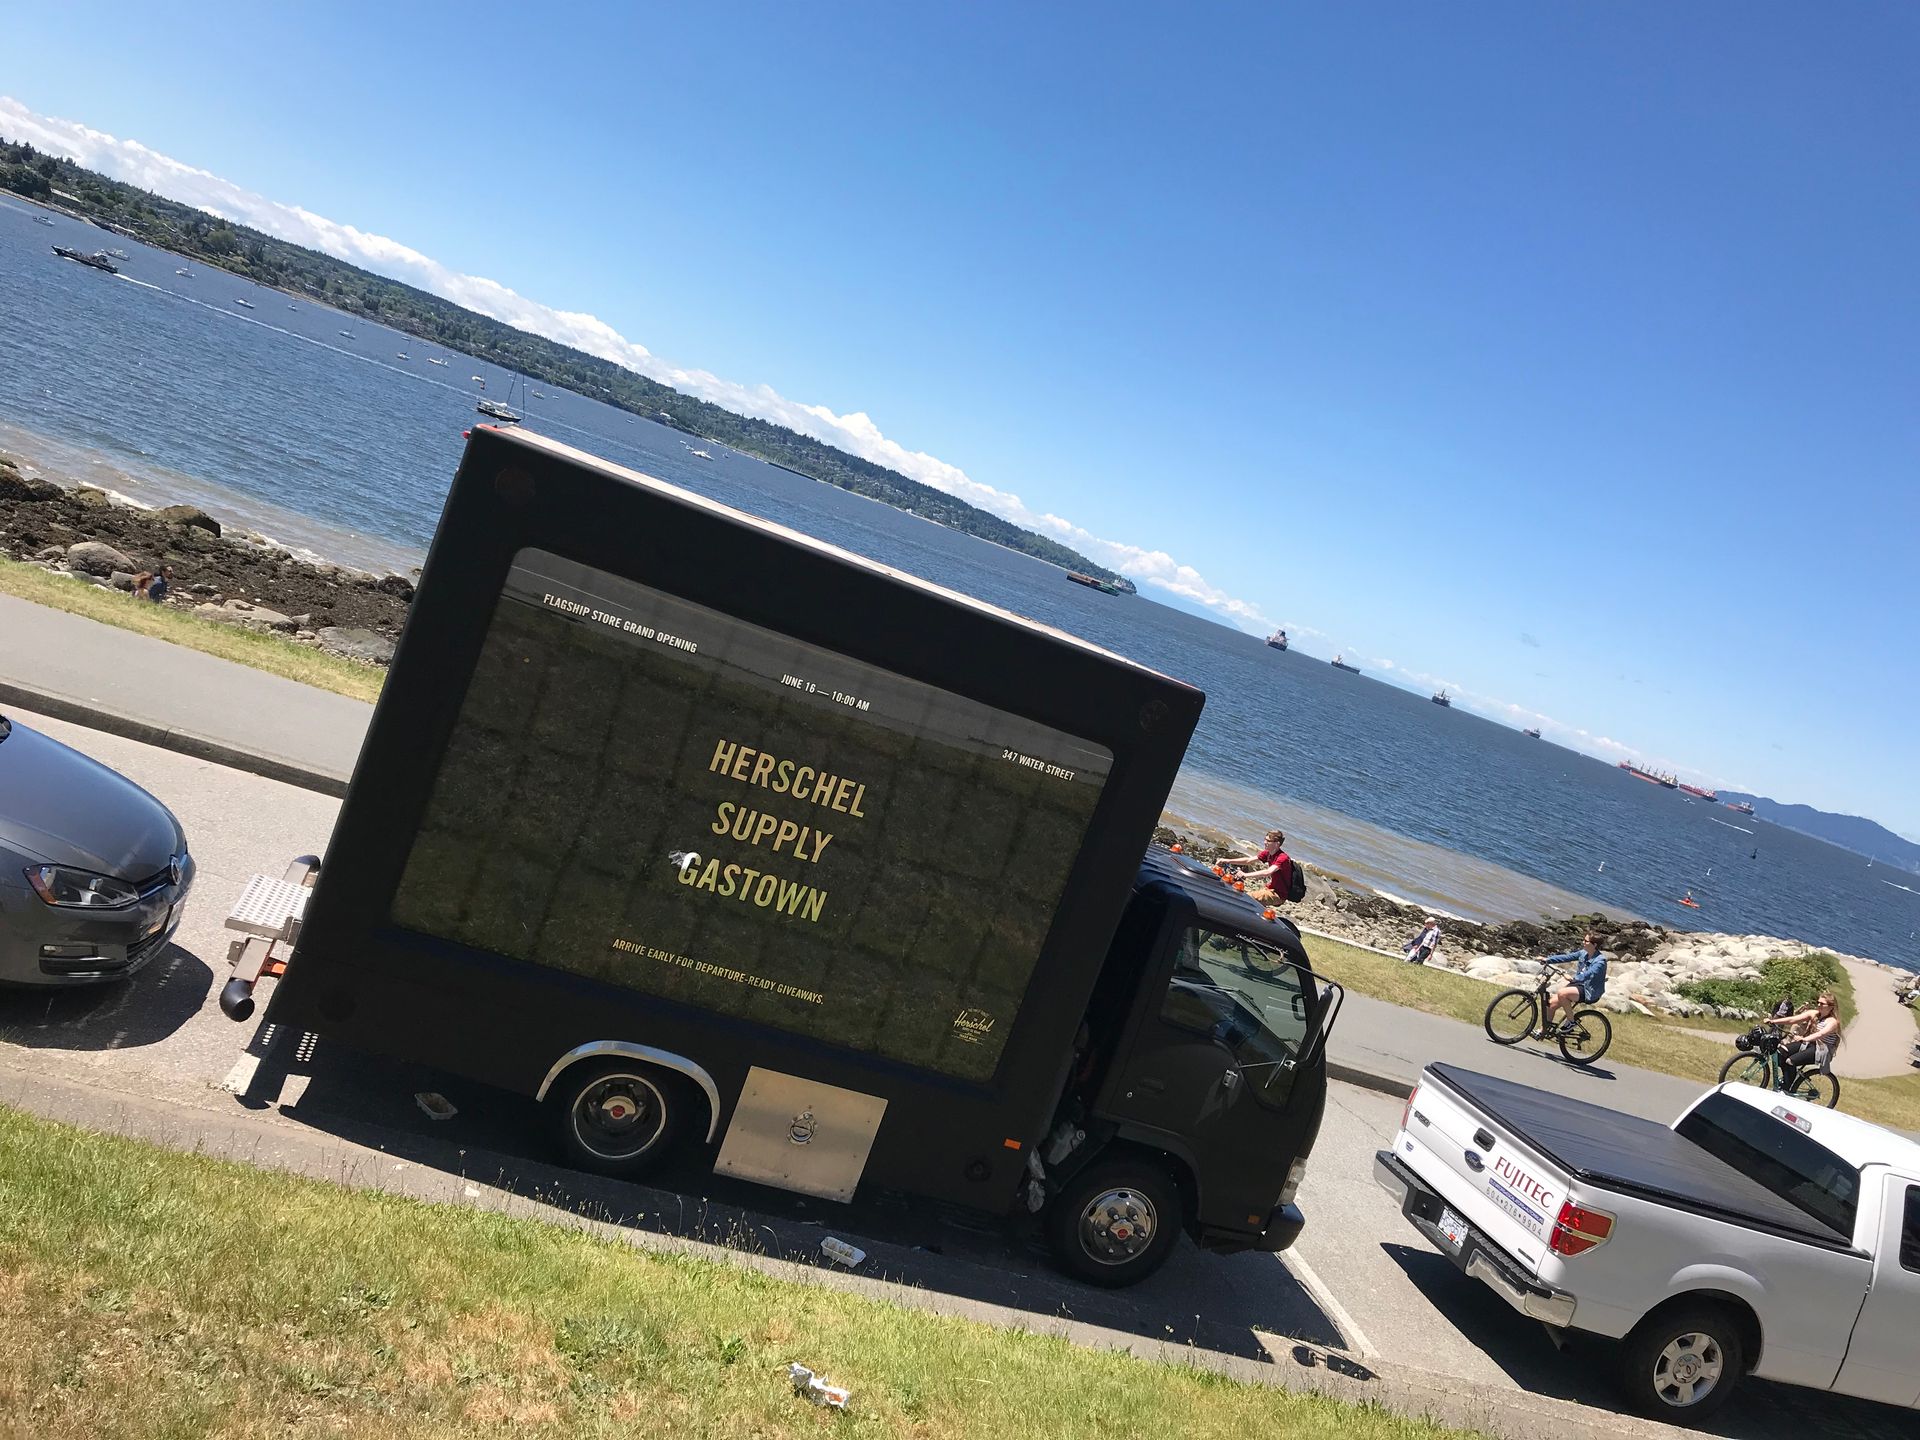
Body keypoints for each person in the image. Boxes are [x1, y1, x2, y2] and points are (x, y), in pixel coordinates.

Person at [1768, 992, 1842, 1091]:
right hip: (1808, 1044)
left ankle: (1786, 1088)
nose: (1819, 1005)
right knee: (1780, 1053)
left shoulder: (1833, 1022)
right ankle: (1786, 1081)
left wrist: (1805, 1039)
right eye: (1818, 1002)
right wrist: (1773, 1021)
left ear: (1831, 1007)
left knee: (1790, 1061)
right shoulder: (1813, 1013)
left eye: (1822, 1003)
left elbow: (1821, 1034)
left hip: (1820, 1050)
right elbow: (1793, 1019)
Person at [1540, 931, 1608, 1036]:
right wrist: (1548, 960)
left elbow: (1589, 974)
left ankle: (1571, 1022)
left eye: (1586, 941)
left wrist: (1573, 979)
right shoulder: (1583, 953)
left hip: (1589, 990)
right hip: (1578, 985)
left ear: (1594, 945)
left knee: (1562, 993)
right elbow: (1567, 957)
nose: (1583, 942)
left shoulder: (1600, 961)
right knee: (1551, 1004)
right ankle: (1543, 1031)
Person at [1219, 828, 1296, 902]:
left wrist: (1245, 875)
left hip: (1278, 894)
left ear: (1277, 844)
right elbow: (1248, 860)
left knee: (1246, 898)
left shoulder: (1283, 858)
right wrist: (1227, 860)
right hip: (1269, 888)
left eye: (1268, 841)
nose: (1265, 842)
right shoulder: (1268, 853)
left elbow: (1268, 872)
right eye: (1265, 839)